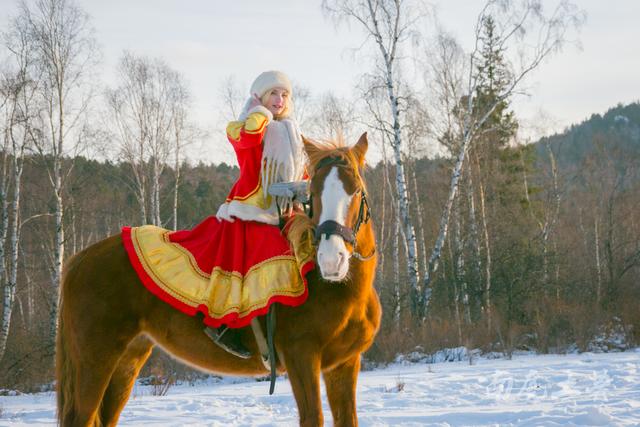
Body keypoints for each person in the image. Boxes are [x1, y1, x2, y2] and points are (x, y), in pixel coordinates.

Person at [121, 71, 314, 359]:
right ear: (260, 96)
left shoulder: (292, 132)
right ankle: (228, 327)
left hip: (286, 212)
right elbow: (247, 141)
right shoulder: (246, 123)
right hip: (251, 211)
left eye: (285, 95)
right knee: (259, 261)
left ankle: (298, 330)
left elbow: (302, 170)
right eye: (273, 93)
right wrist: (259, 113)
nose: (280, 99)